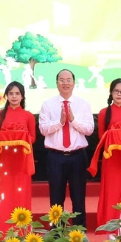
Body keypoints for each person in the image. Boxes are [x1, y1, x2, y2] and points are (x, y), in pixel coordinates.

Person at [39, 69, 94, 227]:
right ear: (56, 83)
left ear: (74, 82)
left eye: (68, 79)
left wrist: (73, 120)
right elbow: (43, 129)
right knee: (56, 197)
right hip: (55, 156)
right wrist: (60, 122)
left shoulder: (83, 104)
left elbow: (89, 129)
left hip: (77, 156)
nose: (65, 83)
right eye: (61, 80)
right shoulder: (48, 104)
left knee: (78, 197)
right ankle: (56, 234)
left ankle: (79, 234)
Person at [89, 78, 121, 228]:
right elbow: (101, 137)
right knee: (111, 193)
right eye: (116, 91)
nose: (119, 94)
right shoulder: (105, 112)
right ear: (111, 93)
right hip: (111, 158)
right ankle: (112, 230)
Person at [0, 81, 37, 227]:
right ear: (6, 96)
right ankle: (4, 230)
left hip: (22, 161)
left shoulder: (28, 116)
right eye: (11, 93)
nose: (14, 96)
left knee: (21, 195)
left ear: (22, 96)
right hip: (5, 161)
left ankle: (22, 231)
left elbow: (33, 138)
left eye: (17, 93)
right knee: (5, 195)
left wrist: (18, 138)